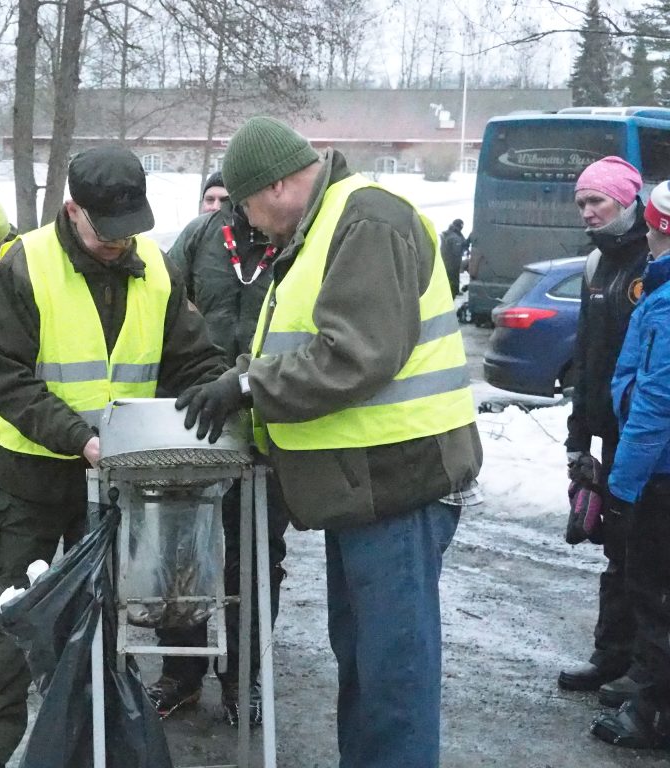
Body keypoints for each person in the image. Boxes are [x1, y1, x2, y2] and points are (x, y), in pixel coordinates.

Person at [177, 116, 481, 767]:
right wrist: (242, 387)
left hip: (399, 484)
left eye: (249, 205)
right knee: (367, 669)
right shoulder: (323, 230)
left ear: (281, 183)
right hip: (365, 490)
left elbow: (354, 355)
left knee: (392, 677)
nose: (249, 223)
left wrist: (248, 388)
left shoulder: (366, 220)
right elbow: (309, 346)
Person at [0, 146, 226, 768]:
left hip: (112, 493)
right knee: (4, 640)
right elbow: (8, 378)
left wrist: (221, 391)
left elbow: (191, 357)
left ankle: (77, 754)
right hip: (30, 486)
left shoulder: (156, 268)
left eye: (131, 228)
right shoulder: (26, 264)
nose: (120, 244)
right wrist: (81, 438)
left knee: (96, 644)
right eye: (108, 231)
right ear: (73, 210)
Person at [147, 195, 290, 725]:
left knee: (255, 557)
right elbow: (165, 309)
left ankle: (241, 677)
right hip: (196, 416)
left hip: (264, 418)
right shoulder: (200, 239)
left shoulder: (291, 238)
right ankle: (179, 674)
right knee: (180, 547)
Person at [558, 156, 651, 708]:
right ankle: (611, 656)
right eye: (582, 202)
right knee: (615, 547)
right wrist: (579, 436)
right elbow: (586, 357)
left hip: (647, 434)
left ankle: (645, 668)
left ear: (628, 200)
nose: (588, 212)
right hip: (610, 436)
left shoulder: (654, 259)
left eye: (598, 201)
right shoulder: (596, 264)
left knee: (645, 551)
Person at [591, 180, 670, 749]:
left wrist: (622, 487)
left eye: (650, 224)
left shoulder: (666, 305)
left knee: (655, 593)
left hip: (659, 475)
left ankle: (654, 716)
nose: (644, 233)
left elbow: (655, 403)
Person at [440, 218, 468, 298]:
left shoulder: (450, 233)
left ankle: (453, 291)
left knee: (451, 277)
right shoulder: (454, 236)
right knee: (453, 276)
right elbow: (456, 250)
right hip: (452, 261)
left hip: (446, 259)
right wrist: (463, 250)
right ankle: (453, 293)